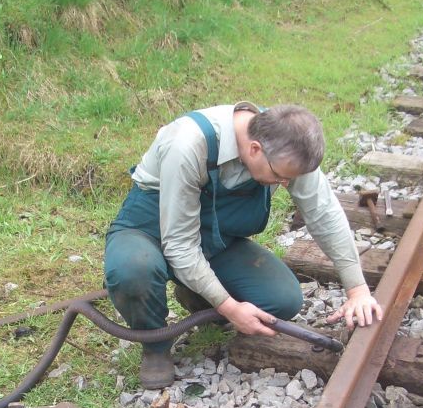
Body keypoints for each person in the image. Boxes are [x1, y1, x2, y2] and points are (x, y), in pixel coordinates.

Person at [104, 102, 384, 389]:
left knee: (282, 299)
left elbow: (324, 213)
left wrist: (358, 289)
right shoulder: (188, 144)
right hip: (149, 230)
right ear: (254, 150)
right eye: (280, 177)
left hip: (213, 239)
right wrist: (230, 307)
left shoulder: (288, 143)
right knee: (132, 269)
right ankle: (156, 346)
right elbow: (179, 245)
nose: (286, 184)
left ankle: (196, 295)